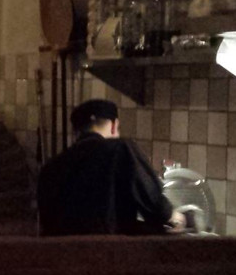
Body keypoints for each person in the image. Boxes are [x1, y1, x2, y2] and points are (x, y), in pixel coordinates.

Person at [37, 99, 182, 236]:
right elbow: (153, 202)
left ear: (76, 132)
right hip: (108, 250)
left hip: (60, 252)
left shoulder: (50, 168)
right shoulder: (120, 149)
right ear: (114, 126)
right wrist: (176, 217)